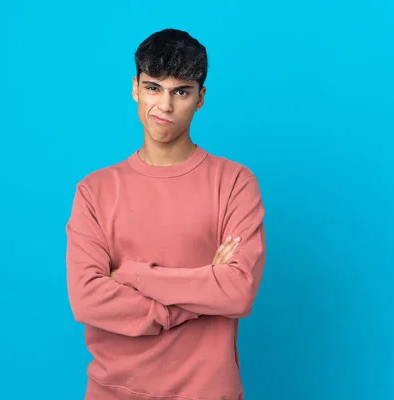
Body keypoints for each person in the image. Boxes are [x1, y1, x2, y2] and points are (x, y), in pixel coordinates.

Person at [65, 28, 266, 400]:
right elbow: (87, 298)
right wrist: (198, 293)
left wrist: (133, 276)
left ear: (200, 98)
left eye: (181, 92)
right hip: (114, 391)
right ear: (135, 88)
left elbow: (237, 292)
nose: (165, 107)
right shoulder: (94, 191)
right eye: (154, 87)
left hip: (207, 390)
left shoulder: (235, 183)